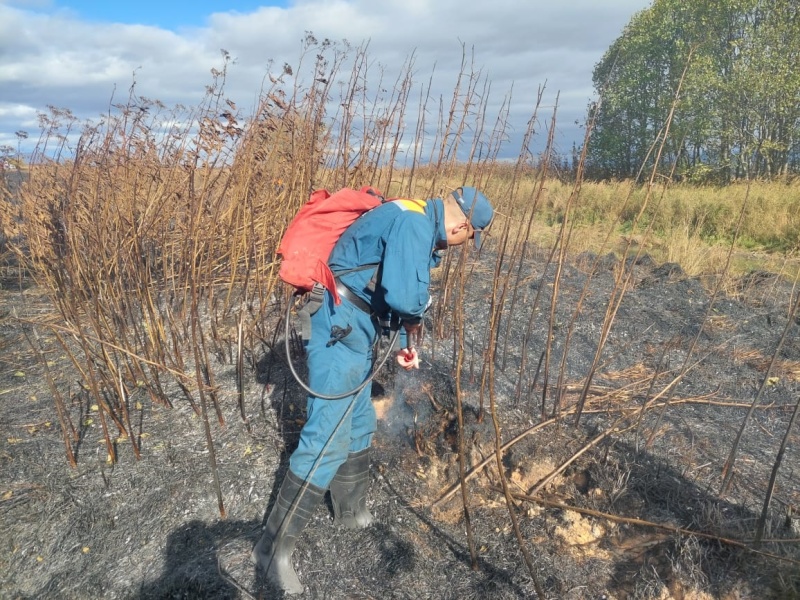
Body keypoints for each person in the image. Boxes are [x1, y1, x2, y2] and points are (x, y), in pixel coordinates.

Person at [252, 186, 495, 594]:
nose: (459, 245)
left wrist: (403, 347)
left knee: (361, 420)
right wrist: (415, 322)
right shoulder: (415, 223)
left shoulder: (414, 216)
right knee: (327, 436)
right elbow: (403, 295)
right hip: (338, 329)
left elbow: (385, 284)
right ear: (462, 226)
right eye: (467, 238)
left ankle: (350, 512)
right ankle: (270, 551)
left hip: (357, 330)